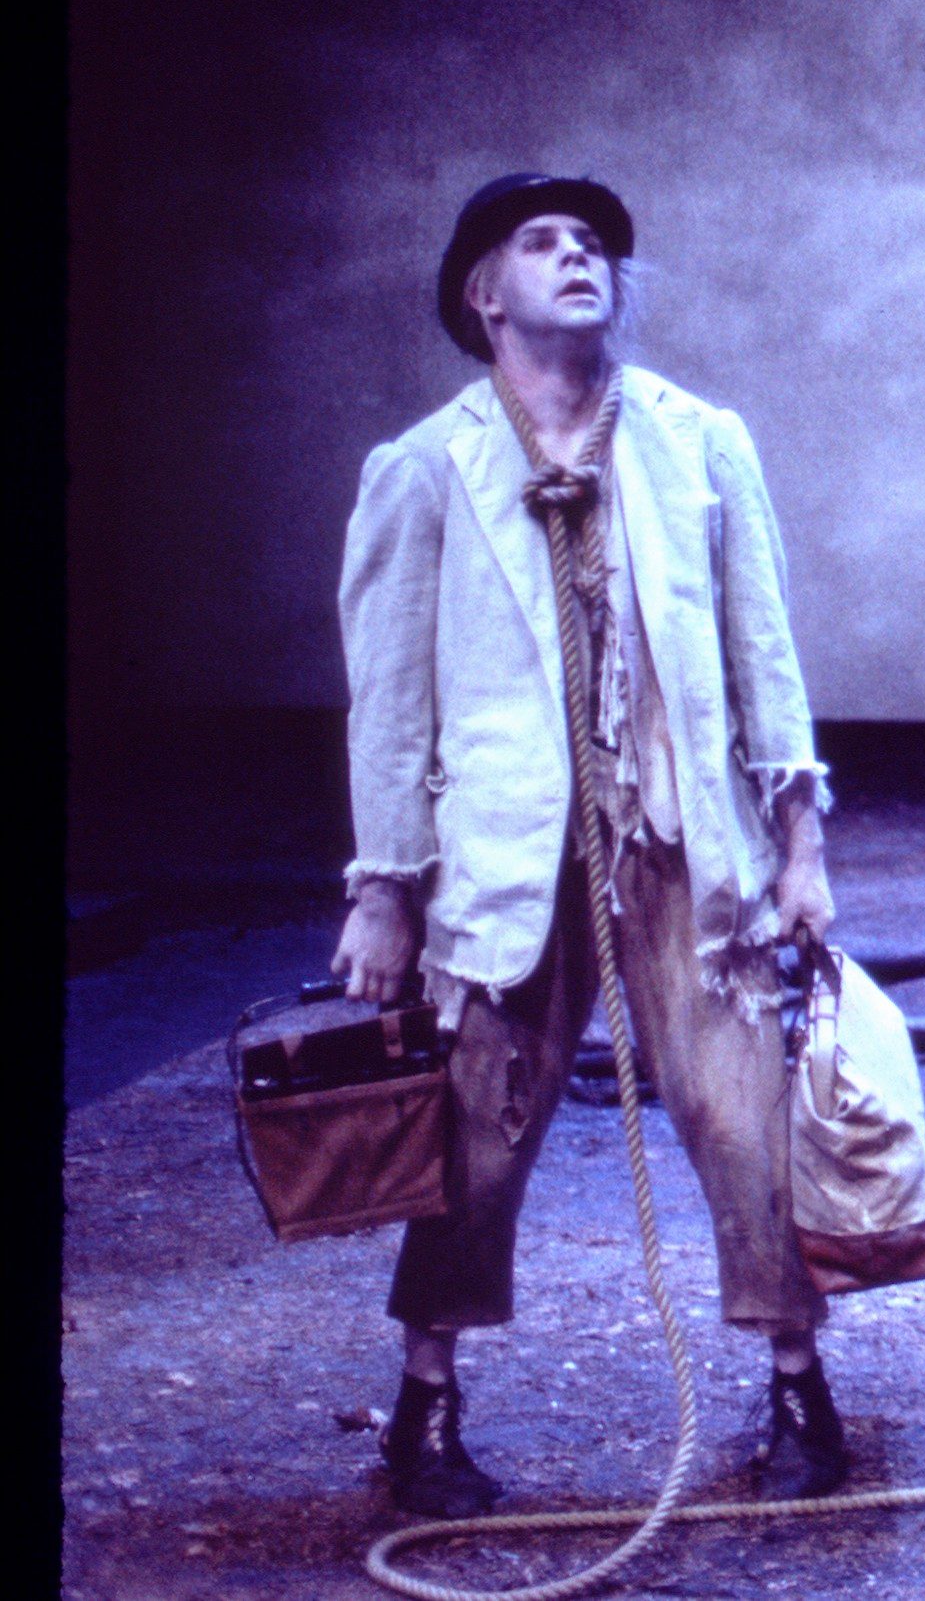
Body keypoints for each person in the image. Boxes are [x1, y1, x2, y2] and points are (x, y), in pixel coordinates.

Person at [331, 173, 855, 1512]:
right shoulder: (424, 468)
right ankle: (425, 1404)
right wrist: (385, 888)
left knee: (741, 1108)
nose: (577, 256)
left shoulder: (698, 442)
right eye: (540, 242)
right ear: (483, 295)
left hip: (681, 842)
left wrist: (800, 846)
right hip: (509, 854)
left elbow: (765, 654)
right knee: (478, 1130)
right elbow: (389, 704)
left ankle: (799, 1383)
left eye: (592, 243)